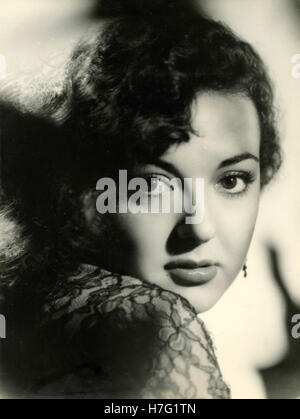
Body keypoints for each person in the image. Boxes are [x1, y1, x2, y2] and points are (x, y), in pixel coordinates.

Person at [0, 11, 281, 398]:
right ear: (81, 192)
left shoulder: (36, 312)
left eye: (231, 180)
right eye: (153, 185)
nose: (200, 227)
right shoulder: (149, 321)